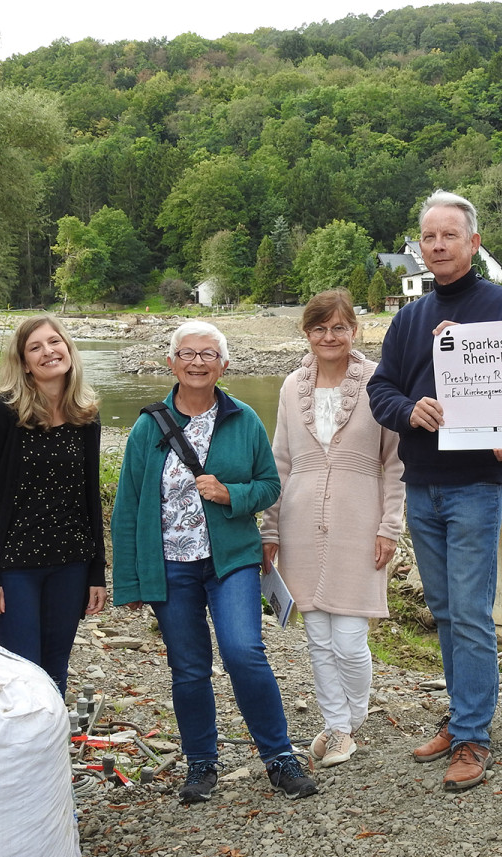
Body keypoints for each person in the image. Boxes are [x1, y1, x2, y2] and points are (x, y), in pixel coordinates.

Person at [367, 190, 502, 791]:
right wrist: (412, 411)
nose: (437, 246)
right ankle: (462, 715)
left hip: (475, 486)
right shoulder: (410, 318)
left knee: (469, 612)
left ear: (473, 242)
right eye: (428, 237)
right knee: (443, 611)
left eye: (449, 236)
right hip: (424, 487)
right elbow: (380, 390)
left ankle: (472, 736)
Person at [111, 321, 317, 804]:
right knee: (188, 668)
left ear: (224, 365)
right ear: (171, 362)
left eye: (209, 354)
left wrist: (231, 494)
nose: (198, 362)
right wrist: (131, 580)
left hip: (231, 560)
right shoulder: (149, 425)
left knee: (244, 652)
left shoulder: (243, 419)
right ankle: (201, 764)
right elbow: (128, 504)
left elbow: (270, 486)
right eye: (187, 353)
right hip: (170, 564)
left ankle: (279, 757)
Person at [260, 289, 405, 768]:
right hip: (299, 522)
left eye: (338, 327)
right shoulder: (289, 386)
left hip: (358, 520)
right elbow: (280, 461)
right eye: (319, 328)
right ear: (306, 333)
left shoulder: (379, 383)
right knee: (318, 639)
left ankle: (352, 718)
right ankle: (337, 726)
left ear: (354, 331)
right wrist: (270, 529)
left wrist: (390, 526)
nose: (329, 336)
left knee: (349, 639)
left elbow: (395, 463)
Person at [0, 314, 107, 697]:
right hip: (15, 568)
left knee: (55, 670)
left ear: (68, 348)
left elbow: (89, 499)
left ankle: (49, 755)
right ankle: (20, 755)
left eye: (54, 342)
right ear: (25, 363)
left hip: (70, 563)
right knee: (21, 674)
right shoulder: (4, 413)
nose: (48, 351)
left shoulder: (86, 417)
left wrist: (97, 570)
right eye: (35, 347)